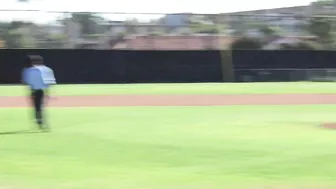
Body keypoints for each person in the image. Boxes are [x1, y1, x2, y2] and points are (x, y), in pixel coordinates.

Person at [22, 55, 56, 131]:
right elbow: (49, 82)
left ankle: (39, 121)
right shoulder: (47, 69)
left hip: (34, 90)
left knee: (37, 107)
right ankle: (41, 121)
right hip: (41, 90)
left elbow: (26, 82)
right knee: (40, 107)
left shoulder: (28, 70)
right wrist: (49, 92)